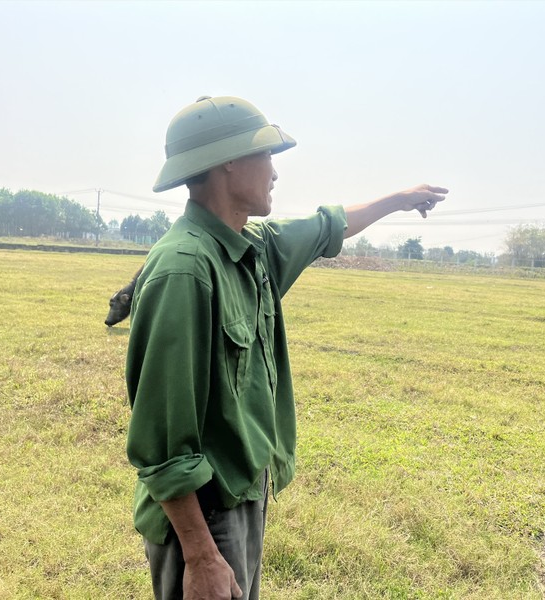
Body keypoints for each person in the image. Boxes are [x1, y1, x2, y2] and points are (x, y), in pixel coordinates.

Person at [125, 95, 447, 600]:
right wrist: (202, 555)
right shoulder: (186, 269)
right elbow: (163, 445)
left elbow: (326, 227)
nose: (275, 173)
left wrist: (397, 200)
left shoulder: (253, 249)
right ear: (228, 160)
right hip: (205, 516)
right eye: (266, 156)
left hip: (243, 497)